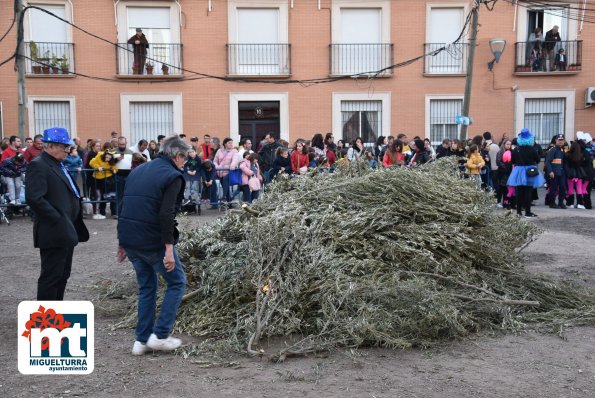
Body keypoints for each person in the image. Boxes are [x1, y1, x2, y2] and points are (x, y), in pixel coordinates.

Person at [117, 135, 190, 355]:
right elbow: (166, 214)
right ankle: (160, 335)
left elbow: (124, 205)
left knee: (147, 287)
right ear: (177, 156)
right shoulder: (173, 176)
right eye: (184, 159)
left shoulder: (138, 170)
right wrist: (168, 248)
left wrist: (122, 242)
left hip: (131, 240)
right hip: (152, 241)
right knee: (177, 282)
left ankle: (140, 341)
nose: (184, 163)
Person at [25, 127, 89, 300]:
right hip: (54, 230)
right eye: (64, 147)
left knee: (62, 275)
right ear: (51, 146)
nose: (68, 151)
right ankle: (46, 318)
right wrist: (58, 219)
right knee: (51, 276)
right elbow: (34, 198)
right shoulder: (38, 165)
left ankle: (56, 313)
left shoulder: (57, 164)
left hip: (66, 229)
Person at [507, 128, 545, 218]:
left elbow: (512, 161)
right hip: (529, 171)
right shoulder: (532, 149)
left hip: (518, 171)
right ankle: (528, 212)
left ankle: (519, 212)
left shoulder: (516, 149)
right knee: (528, 192)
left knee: (519, 192)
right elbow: (538, 160)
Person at [89, 150, 118, 219]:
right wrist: (98, 167)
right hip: (99, 179)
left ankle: (114, 212)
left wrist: (114, 170)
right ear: (104, 155)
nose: (107, 159)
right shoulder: (99, 156)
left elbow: (114, 167)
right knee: (102, 195)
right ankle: (102, 212)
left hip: (109, 179)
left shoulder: (111, 161)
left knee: (112, 195)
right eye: (107, 157)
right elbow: (92, 162)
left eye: (109, 158)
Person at [213, 137, 239, 205]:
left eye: (231, 143)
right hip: (220, 171)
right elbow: (215, 161)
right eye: (229, 143)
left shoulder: (234, 151)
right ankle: (229, 203)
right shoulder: (219, 151)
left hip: (229, 171)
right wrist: (217, 167)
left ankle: (224, 197)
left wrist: (232, 165)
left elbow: (235, 159)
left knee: (225, 181)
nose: (231, 144)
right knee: (225, 187)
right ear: (225, 144)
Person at [545, 134, 567, 209]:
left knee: (563, 187)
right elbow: (548, 162)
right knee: (553, 188)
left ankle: (561, 202)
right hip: (554, 173)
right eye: (559, 140)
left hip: (561, 173)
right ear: (556, 141)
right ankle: (552, 203)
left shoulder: (562, 150)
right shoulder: (553, 150)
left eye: (562, 140)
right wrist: (550, 171)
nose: (561, 142)